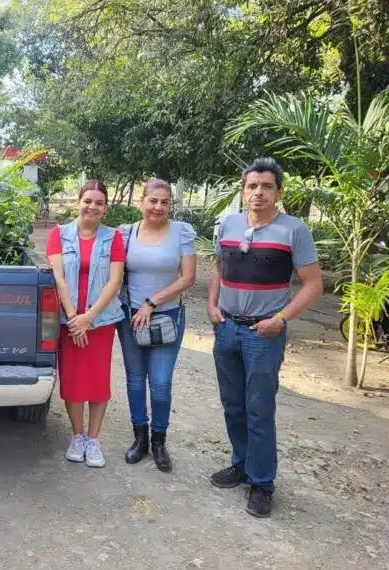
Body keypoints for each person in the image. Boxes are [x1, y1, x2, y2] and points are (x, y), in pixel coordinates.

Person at [207, 157, 322, 518]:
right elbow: (218, 267)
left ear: (278, 192)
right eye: (252, 186)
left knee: (259, 409)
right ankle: (241, 464)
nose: (258, 192)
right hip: (226, 329)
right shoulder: (228, 223)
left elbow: (314, 284)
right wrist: (212, 305)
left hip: (263, 333)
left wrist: (280, 319)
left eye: (266, 186)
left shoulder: (294, 231)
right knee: (233, 405)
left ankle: (262, 483)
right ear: (243, 191)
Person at [117, 179, 197, 473]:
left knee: (160, 382)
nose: (158, 207)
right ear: (142, 202)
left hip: (167, 316)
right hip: (130, 316)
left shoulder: (182, 233)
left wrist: (152, 302)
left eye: (165, 202)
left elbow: (187, 277)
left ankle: (160, 441)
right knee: (135, 379)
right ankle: (140, 437)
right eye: (153, 201)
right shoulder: (126, 233)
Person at [46, 179, 125, 468]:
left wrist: (89, 318)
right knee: (73, 380)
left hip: (101, 322)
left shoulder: (113, 237)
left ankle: (93, 439)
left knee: (97, 381)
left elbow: (115, 281)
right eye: (87, 200)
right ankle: (77, 436)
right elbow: (58, 278)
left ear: (105, 208)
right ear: (78, 202)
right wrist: (73, 319)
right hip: (69, 322)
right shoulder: (58, 235)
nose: (92, 206)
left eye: (99, 202)